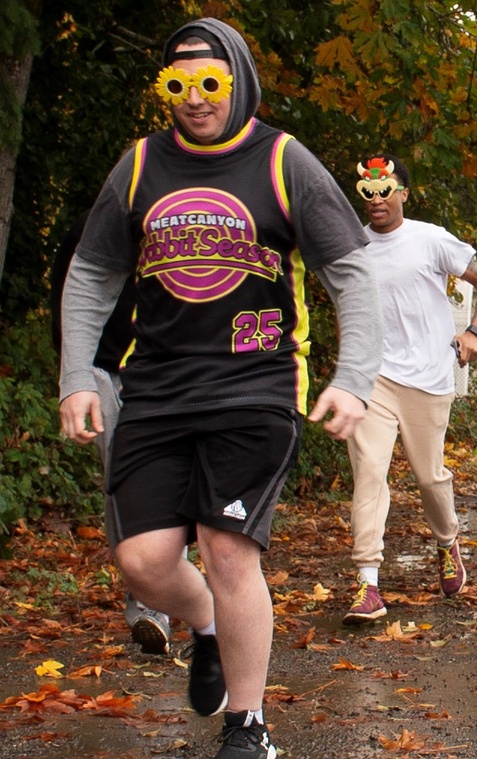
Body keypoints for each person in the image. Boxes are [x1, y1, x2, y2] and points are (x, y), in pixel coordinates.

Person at [58, 19, 382, 759]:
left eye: (212, 83)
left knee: (228, 547)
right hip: (156, 388)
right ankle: (205, 623)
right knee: (141, 560)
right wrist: (79, 373)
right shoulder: (140, 166)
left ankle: (249, 725)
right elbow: (93, 272)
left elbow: (351, 273)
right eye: (179, 85)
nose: (196, 100)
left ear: (238, 79)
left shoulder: (283, 161)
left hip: (255, 384)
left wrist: (353, 377)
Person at [342, 153, 477, 625]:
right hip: (373, 377)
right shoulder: (352, 246)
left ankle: (448, 540)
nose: (376, 200)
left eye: (385, 190)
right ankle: (367, 583)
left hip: (428, 377)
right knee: (370, 470)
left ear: (402, 194)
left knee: (430, 476)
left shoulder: (431, 239)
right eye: (368, 192)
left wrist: (472, 331)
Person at [51, 209, 175, 656]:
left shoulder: (177, 225)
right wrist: (75, 378)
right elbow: (67, 303)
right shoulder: (88, 230)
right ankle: (148, 606)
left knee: (166, 486)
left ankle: (178, 594)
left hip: (163, 376)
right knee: (125, 484)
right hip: (104, 375)